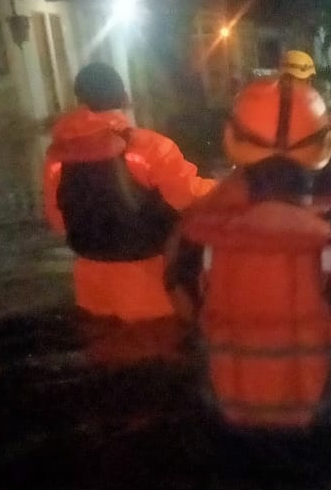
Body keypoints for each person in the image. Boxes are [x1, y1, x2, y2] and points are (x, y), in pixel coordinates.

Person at [169, 74, 331, 438]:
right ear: (325, 147)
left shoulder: (198, 234)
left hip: (231, 441)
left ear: (230, 141)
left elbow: (181, 298)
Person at [43, 61, 214, 321]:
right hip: (148, 281)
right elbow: (188, 197)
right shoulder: (151, 147)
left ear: (79, 99)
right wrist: (226, 184)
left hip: (90, 282)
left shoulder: (59, 155)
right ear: (124, 98)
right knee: (157, 349)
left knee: (104, 350)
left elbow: (58, 221)